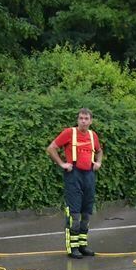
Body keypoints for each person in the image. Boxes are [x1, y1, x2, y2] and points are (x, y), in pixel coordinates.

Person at [46, 108, 103, 259]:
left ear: (91, 121)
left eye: (86, 118)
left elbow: (99, 151)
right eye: (81, 118)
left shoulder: (93, 135)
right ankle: (73, 248)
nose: (83, 121)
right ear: (78, 120)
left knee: (86, 213)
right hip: (74, 176)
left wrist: (98, 162)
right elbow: (51, 148)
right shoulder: (69, 133)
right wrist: (62, 164)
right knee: (74, 214)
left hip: (89, 175)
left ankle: (83, 245)